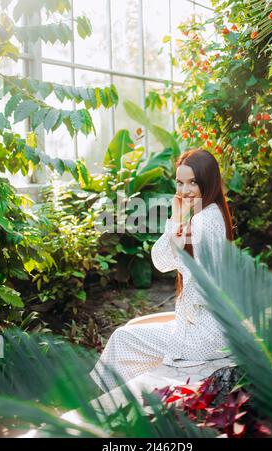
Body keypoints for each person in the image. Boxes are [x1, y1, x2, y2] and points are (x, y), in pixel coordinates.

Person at [90, 148, 234, 393]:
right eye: (179, 183)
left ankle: (100, 401)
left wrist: (178, 248)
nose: (184, 190)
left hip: (202, 337)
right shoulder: (212, 213)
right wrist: (175, 220)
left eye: (193, 183)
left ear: (207, 182)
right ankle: (111, 397)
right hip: (212, 330)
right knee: (131, 330)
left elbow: (199, 286)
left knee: (122, 339)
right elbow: (162, 262)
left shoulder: (202, 220)